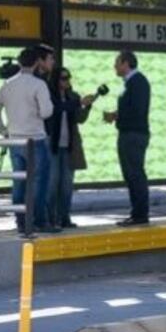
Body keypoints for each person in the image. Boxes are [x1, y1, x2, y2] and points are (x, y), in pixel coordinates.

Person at [0, 46, 55, 234]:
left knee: (19, 182)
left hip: (14, 140)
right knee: (39, 183)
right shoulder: (38, 85)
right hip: (36, 140)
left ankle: (21, 221)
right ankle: (39, 221)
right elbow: (47, 111)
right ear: (36, 63)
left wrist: (3, 129)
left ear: (19, 63)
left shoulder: (8, 84)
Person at [103, 50, 151, 226]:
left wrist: (118, 116)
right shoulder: (131, 83)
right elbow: (132, 109)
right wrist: (116, 115)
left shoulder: (138, 82)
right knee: (131, 174)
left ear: (126, 63)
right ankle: (137, 212)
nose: (115, 66)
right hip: (129, 133)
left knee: (135, 173)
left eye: (117, 62)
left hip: (133, 135)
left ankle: (140, 214)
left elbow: (137, 111)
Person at [46, 67, 94, 229]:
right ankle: (50, 219)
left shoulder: (74, 96)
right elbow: (55, 110)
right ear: (56, 80)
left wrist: (87, 106)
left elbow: (80, 118)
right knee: (52, 184)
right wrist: (77, 103)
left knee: (67, 185)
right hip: (52, 146)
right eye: (63, 78)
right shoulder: (49, 96)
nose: (67, 81)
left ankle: (64, 217)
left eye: (68, 78)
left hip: (69, 147)